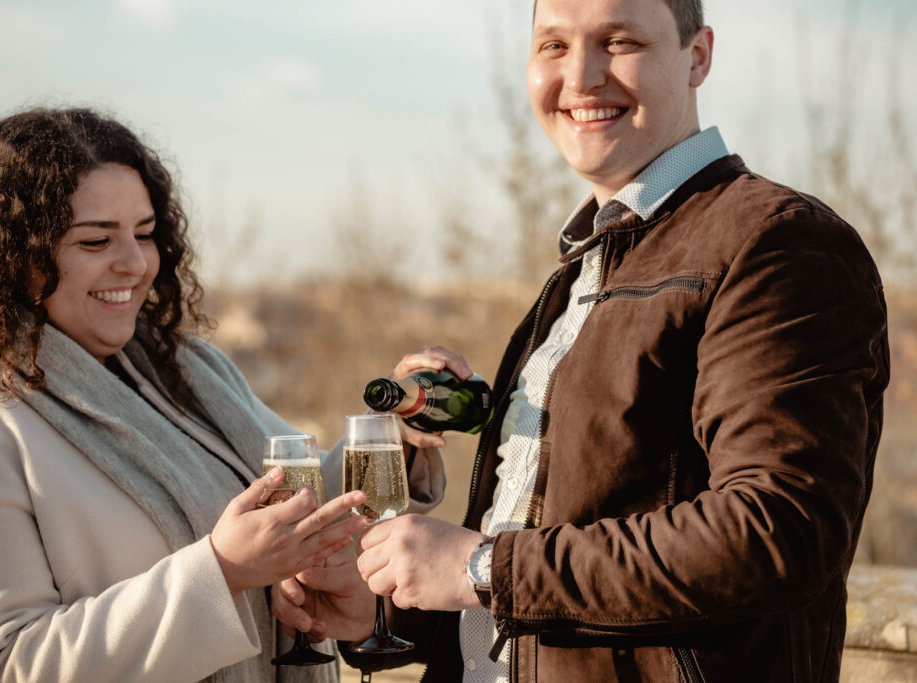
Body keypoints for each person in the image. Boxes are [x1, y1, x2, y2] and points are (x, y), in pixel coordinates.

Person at [276, 0, 891, 680]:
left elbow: (775, 533)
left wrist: (480, 564)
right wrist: (390, 609)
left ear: (698, 56)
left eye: (618, 41)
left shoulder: (774, 242)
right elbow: (546, 603)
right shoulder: (579, 272)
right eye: (553, 46)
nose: (581, 76)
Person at [0, 107, 452, 683]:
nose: (134, 263)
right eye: (94, 240)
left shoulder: (186, 371)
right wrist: (222, 571)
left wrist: (390, 433)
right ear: (14, 256)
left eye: (143, 234)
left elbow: (291, 504)